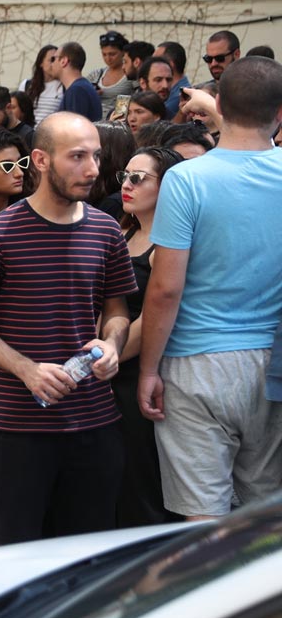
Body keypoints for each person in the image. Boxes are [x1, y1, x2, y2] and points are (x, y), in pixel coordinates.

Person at [0, 112, 136, 545]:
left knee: (91, 553)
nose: (91, 169)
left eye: (96, 156)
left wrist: (113, 344)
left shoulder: (106, 230)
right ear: (40, 160)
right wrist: (27, 369)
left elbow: (117, 311)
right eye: (77, 157)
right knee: (18, 553)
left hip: (95, 423)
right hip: (20, 428)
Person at [139, 56, 282, 521]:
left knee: (202, 524)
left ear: (219, 105)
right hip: (273, 361)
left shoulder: (186, 179)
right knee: (265, 520)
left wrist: (148, 369)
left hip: (196, 364)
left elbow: (165, 289)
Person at [112, 145, 184, 527]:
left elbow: (154, 314)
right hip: (108, 368)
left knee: (141, 486)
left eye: (138, 178)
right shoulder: (122, 232)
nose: (127, 184)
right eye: (124, 176)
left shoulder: (167, 245)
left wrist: (101, 357)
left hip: (140, 373)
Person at [88, 31, 137, 118]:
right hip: (95, 121)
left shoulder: (131, 75)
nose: (108, 58)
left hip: (118, 120)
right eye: (104, 54)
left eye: (112, 54)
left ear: (123, 52)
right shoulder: (96, 75)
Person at [52, 42, 103, 122]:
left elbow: (74, 128)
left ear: (63, 61)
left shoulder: (77, 91)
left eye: (53, 59)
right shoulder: (81, 87)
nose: (52, 64)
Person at [155, 41, 191, 117]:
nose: (151, 65)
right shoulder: (175, 90)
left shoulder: (179, 96)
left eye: (156, 61)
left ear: (169, 65)